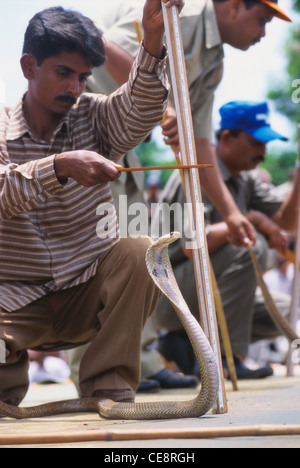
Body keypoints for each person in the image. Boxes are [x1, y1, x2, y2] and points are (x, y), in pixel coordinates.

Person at [0, 0, 186, 408]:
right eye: (63, 73)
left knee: (141, 252)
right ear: (28, 66)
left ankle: (109, 383)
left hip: (85, 293)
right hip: (12, 305)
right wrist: (60, 166)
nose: (74, 88)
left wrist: (153, 41)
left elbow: (139, 110)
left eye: (83, 77)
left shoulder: (95, 116)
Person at [88, 0, 292, 249]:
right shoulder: (180, 16)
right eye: (262, 21)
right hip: (84, 127)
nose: (263, 33)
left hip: (119, 147)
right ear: (235, 7)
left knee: (126, 249)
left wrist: (231, 214)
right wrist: (161, 104)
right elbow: (103, 46)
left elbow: (199, 142)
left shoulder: (214, 64)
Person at [156, 101, 300, 380]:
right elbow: (190, 247)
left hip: (201, 291)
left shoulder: (245, 178)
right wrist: (253, 219)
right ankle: (223, 359)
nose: (263, 151)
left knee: (284, 313)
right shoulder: (195, 171)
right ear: (226, 138)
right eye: (256, 142)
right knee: (249, 246)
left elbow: (287, 223)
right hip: (168, 294)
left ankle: (185, 345)